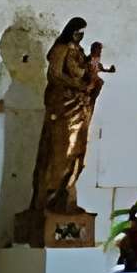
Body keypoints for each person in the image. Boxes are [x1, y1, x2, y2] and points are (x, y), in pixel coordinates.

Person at [27, 17, 109, 215]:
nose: (80, 36)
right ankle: (48, 200)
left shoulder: (78, 51)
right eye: (78, 32)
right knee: (60, 153)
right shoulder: (61, 49)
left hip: (80, 107)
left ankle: (66, 198)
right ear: (71, 31)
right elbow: (55, 74)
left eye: (82, 33)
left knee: (77, 153)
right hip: (63, 107)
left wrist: (93, 69)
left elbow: (84, 72)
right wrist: (79, 84)